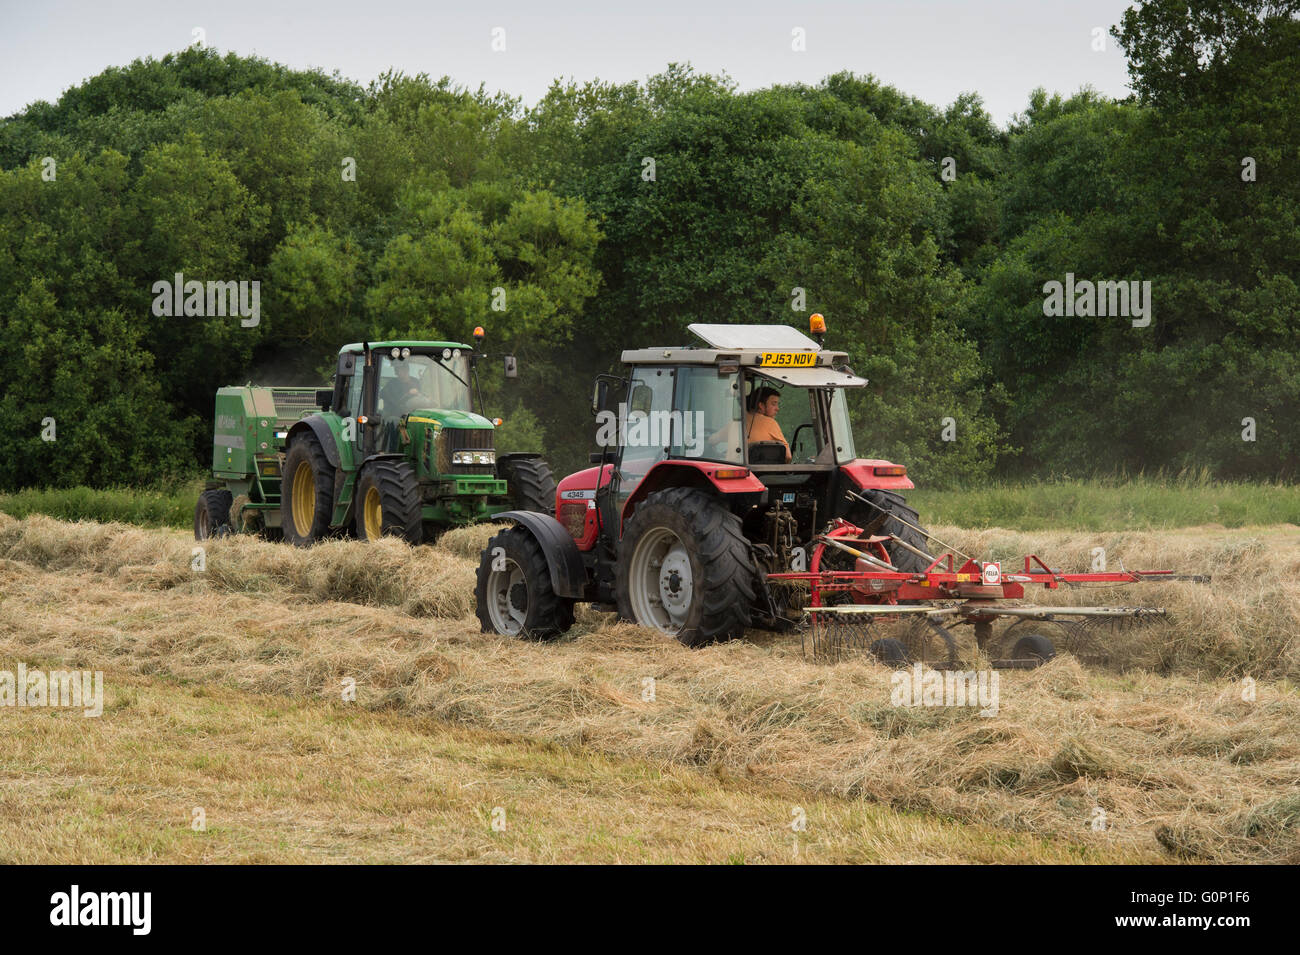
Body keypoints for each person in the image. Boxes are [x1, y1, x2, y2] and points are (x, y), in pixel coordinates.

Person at [745, 386, 791, 462]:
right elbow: (788, 456)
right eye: (773, 404)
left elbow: (717, 438)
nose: (777, 408)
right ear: (761, 406)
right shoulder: (770, 423)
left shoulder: (737, 422)